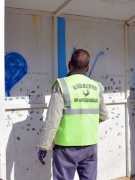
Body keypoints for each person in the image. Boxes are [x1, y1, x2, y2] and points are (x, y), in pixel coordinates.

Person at [37, 49, 108, 180]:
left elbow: (53, 120)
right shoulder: (96, 86)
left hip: (66, 147)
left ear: (69, 64)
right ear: (88, 67)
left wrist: (44, 146)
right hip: (90, 145)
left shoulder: (62, 85)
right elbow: (103, 115)